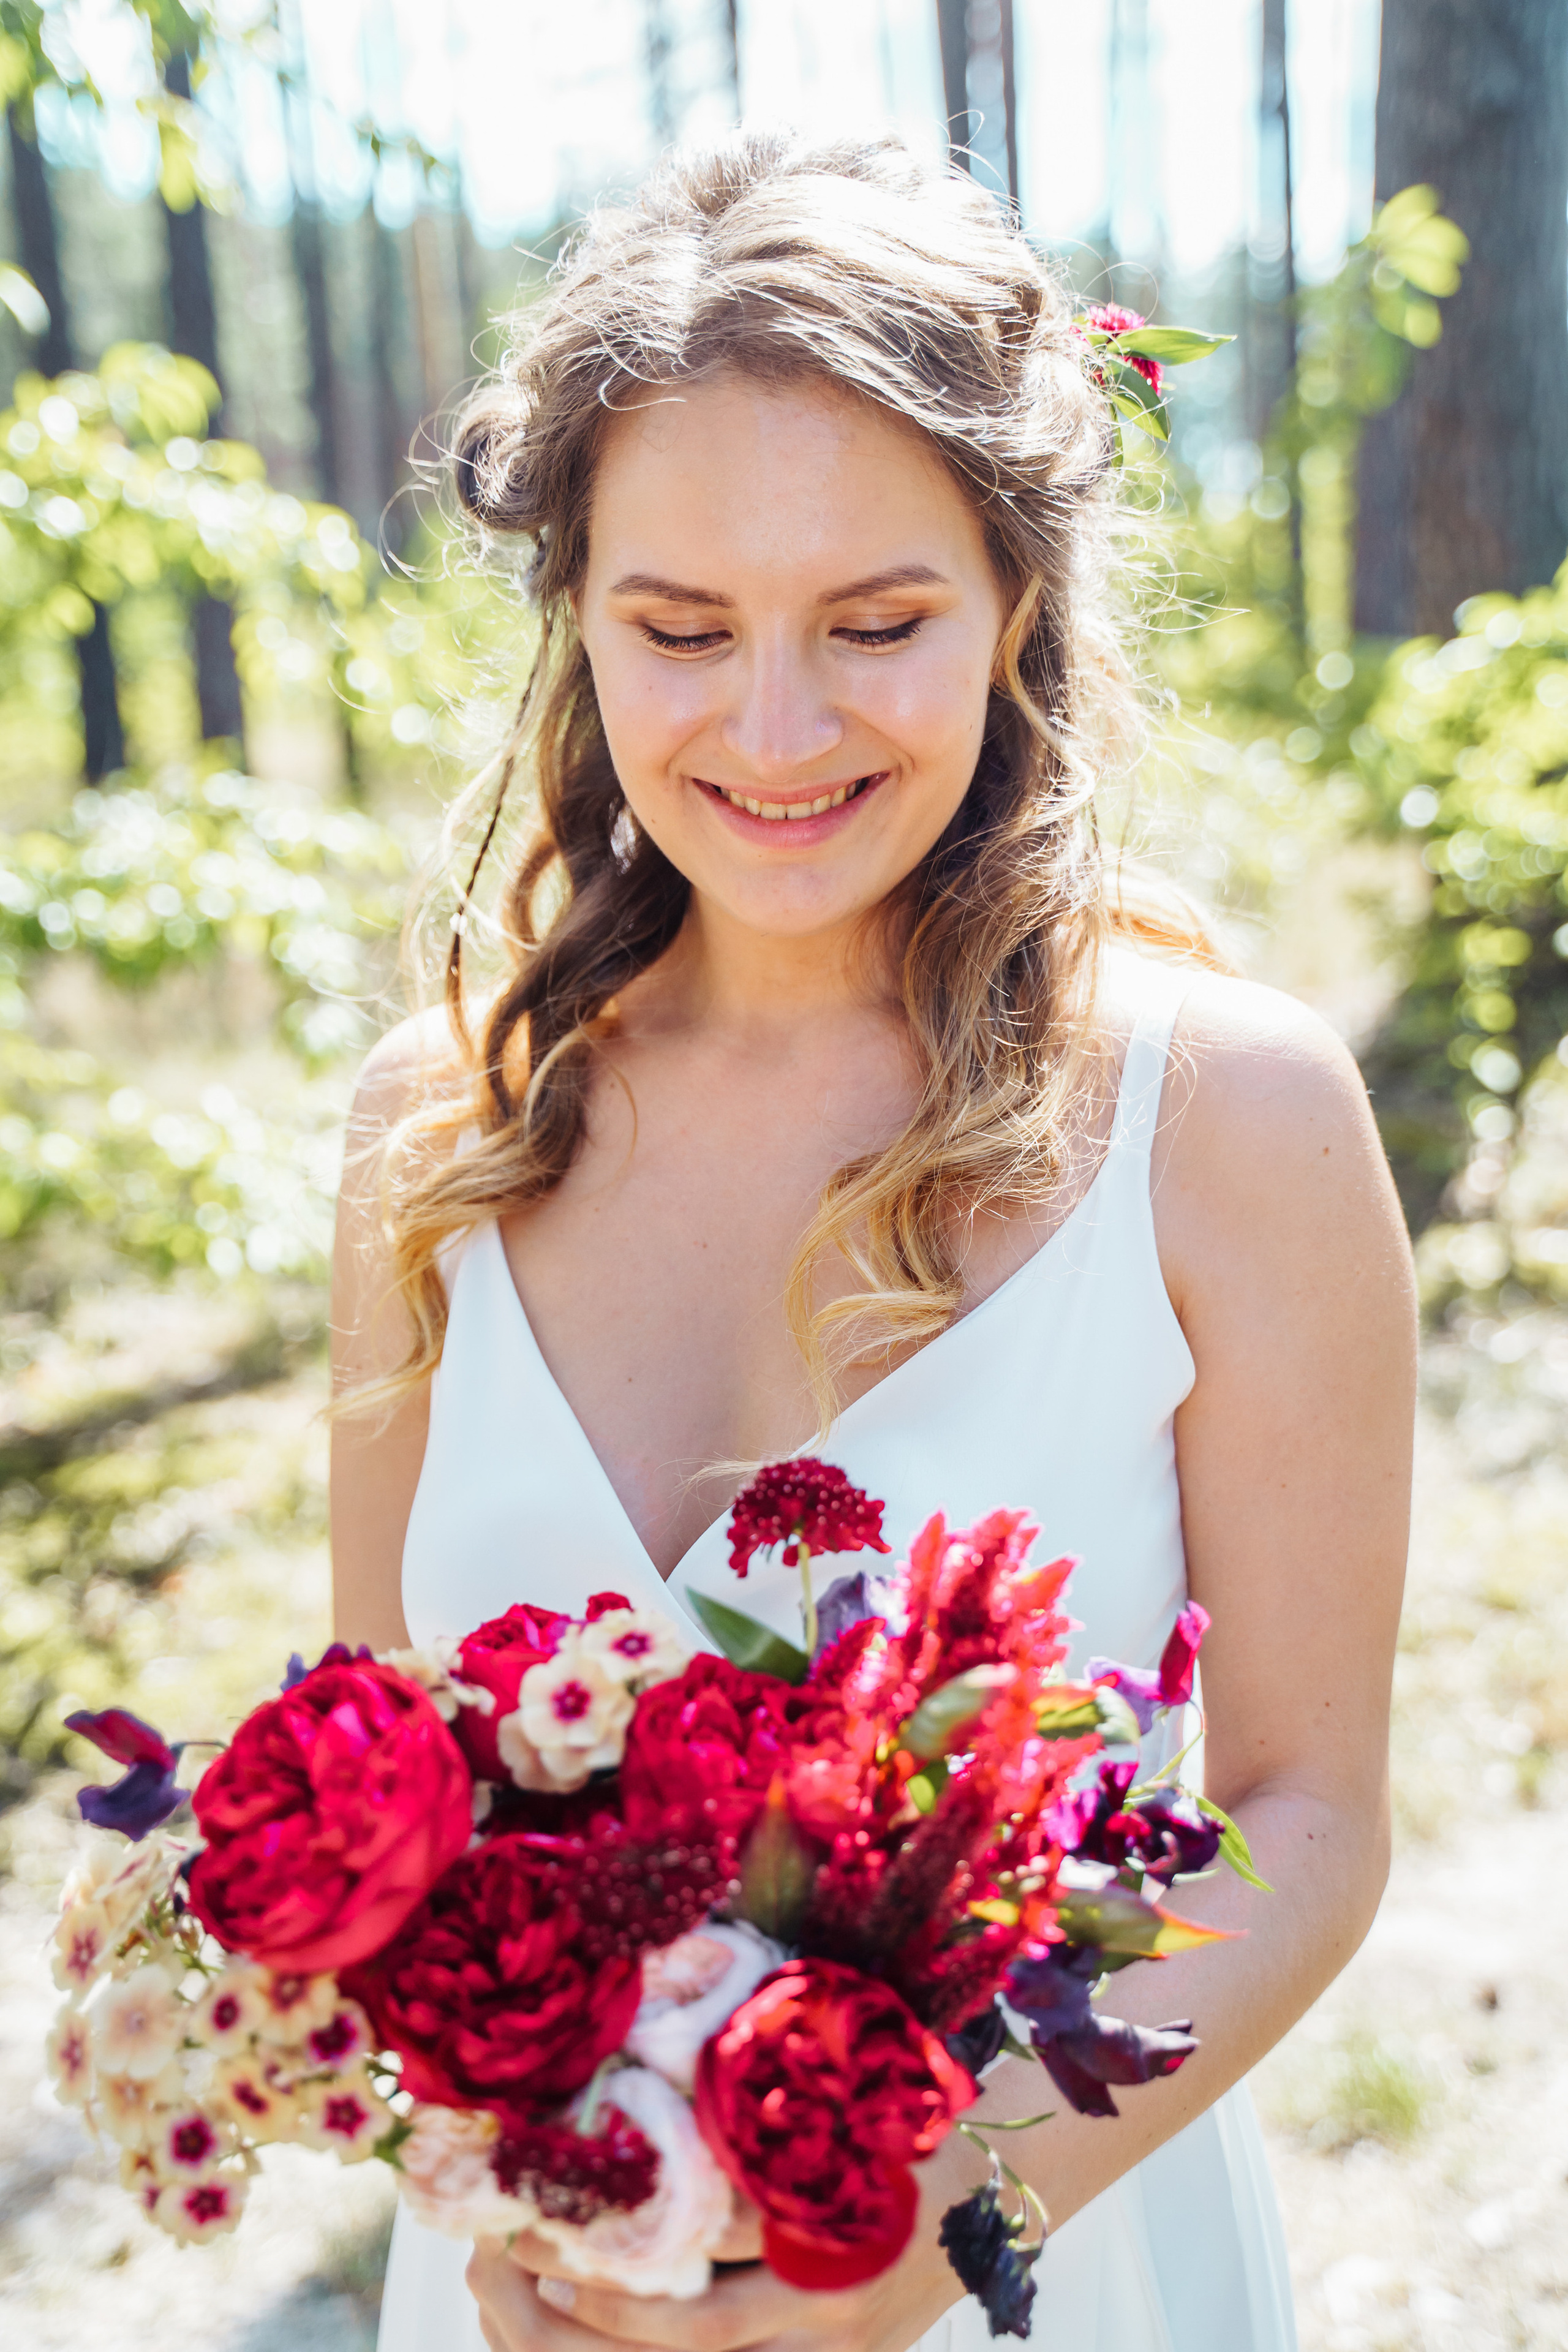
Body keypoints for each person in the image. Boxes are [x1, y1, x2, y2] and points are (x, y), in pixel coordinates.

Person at [331, 132, 1414, 2352]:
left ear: (1021, 598)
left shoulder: (1226, 1119)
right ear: (577, 620)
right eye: (681, 628)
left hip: (1046, 2269)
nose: (778, 728)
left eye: (880, 623)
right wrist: (501, 2187)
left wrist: (948, 2212)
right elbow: (389, 1794)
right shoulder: (435, 1135)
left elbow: (1306, 1814)